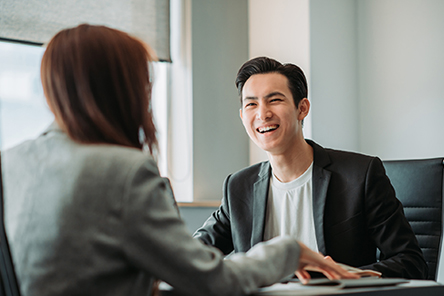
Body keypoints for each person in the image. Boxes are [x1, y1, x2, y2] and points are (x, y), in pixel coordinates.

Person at [0, 25, 357, 296]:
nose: (261, 113)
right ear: (119, 88)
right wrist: (288, 250)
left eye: (274, 100)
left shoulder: (8, 164)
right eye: (143, 84)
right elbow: (209, 276)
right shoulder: (126, 172)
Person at [193, 56, 428, 280]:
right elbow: (194, 254)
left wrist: (349, 276)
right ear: (243, 116)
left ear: (302, 108)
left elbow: (410, 262)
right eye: (252, 104)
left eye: (274, 100)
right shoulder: (239, 186)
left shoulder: (360, 175)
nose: (262, 114)